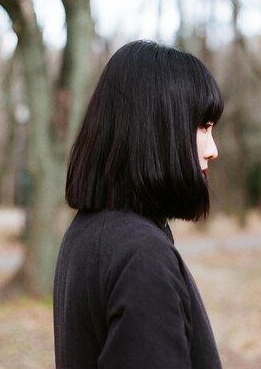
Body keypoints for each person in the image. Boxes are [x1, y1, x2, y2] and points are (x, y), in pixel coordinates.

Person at [53, 40, 224, 368]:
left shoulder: (87, 231)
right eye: (202, 127)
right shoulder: (141, 256)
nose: (212, 148)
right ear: (159, 129)